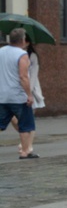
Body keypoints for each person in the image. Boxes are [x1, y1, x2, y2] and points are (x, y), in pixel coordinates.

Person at [0, 28, 38, 159]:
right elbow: (23, 76)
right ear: (22, 40)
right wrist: (29, 95)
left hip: (2, 95)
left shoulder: (1, 52)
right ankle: (25, 152)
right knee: (25, 125)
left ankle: (26, 151)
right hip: (18, 97)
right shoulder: (21, 54)